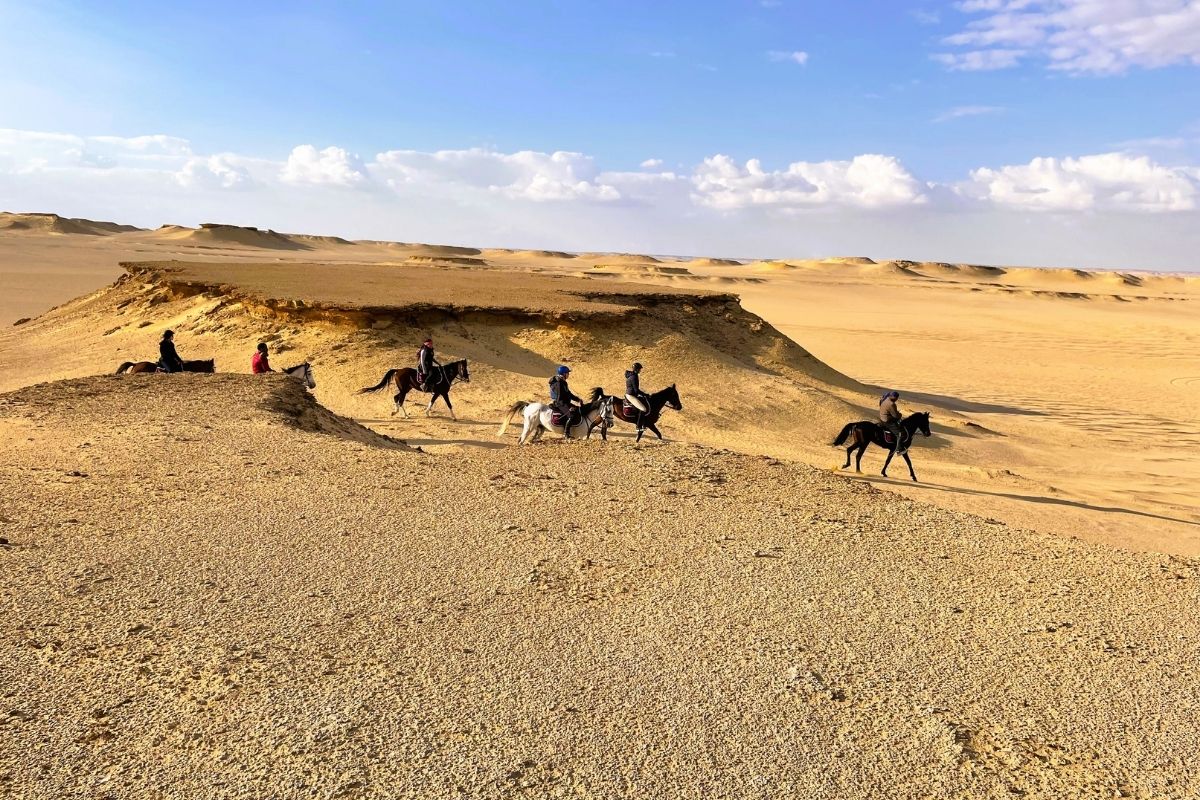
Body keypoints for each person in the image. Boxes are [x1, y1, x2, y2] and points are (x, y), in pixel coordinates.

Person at [548, 365, 582, 437]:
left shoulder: (563, 382)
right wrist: (568, 407)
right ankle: (566, 434)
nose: (568, 375)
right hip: (560, 403)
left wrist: (577, 399)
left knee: (577, 410)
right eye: (567, 373)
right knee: (571, 415)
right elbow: (560, 397)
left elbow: (568, 393)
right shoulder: (558, 383)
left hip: (564, 402)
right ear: (563, 374)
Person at [624, 362, 651, 431]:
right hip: (631, 395)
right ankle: (638, 426)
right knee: (643, 409)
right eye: (639, 369)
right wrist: (645, 394)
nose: (640, 370)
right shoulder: (634, 377)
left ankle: (643, 424)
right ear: (637, 369)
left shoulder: (631, 375)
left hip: (630, 394)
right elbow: (636, 390)